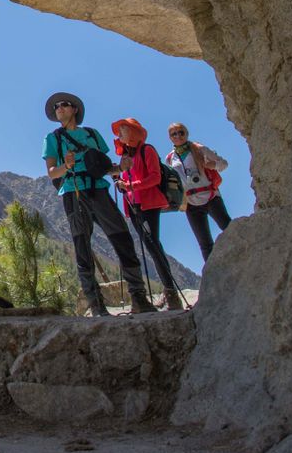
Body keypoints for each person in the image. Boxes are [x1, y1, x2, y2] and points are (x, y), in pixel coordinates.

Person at [42, 92, 158, 315]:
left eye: (64, 105)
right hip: (73, 190)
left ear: (75, 109)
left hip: (98, 189)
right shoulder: (53, 139)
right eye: (56, 107)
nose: (59, 109)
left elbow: (105, 167)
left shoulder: (93, 134)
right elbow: (51, 173)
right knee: (82, 245)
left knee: (122, 237)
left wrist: (121, 168)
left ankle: (139, 298)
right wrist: (66, 166)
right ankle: (96, 305)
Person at [110, 116, 186, 311]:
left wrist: (128, 185)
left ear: (133, 132)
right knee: (152, 245)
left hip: (149, 204)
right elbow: (128, 182)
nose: (119, 134)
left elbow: (154, 177)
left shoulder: (147, 150)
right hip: (134, 206)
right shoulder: (126, 157)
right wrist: (122, 185)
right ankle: (169, 294)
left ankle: (171, 294)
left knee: (153, 245)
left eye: (123, 130)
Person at [165, 122, 232, 262]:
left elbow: (224, 163)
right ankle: (213, 275)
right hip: (190, 203)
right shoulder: (170, 158)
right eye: (174, 134)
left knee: (229, 228)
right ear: (170, 138)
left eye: (181, 132)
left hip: (210, 196)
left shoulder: (199, 149)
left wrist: (213, 165)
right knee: (205, 243)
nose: (178, 136)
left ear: (186, 133)